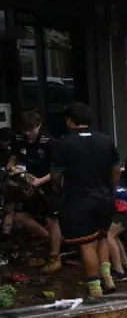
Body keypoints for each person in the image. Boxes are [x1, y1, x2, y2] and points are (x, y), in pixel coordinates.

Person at [51, 104, 121, 297]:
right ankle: (107, 278)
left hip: (79, 201)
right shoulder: (106, 140)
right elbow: (116, 169)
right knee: (102, 236)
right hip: (105, 198)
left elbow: (56, 175)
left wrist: (58, 190)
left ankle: (95, 287)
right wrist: (110, 189)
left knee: (86, 243)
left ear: (69, 120)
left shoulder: (63, 143)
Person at [10, 112, 63, 273]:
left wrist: (41, 181)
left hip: (48, 184)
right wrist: (13, 170)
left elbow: (58, 169)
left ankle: (55, 256)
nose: (27, 133)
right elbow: (13, 159)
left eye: (31, 129)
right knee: (18, 215)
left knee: (52, 219)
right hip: (26, 184)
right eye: (25, 130)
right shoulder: (19, 140)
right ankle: (47, 238)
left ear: (39, 125)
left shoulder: (50, 142)